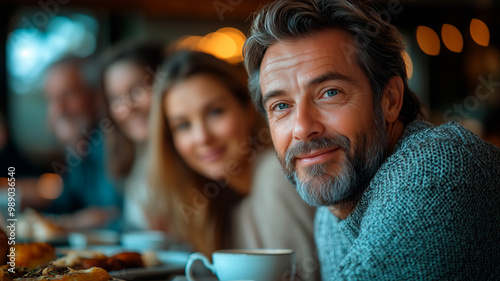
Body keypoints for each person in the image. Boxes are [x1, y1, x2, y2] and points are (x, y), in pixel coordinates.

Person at [243, 0, 500, 280]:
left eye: (330, 92)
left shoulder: (438, 167)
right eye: (281, 106)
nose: (302, 127)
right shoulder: (332, 209)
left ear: (390, 99)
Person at [149, 50, 319, 280]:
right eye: (183, 125)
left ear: (248, 110)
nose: (202, 137)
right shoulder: (215, 201)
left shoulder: (275, 174)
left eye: (215, 112)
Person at [43, 56, 123, 230]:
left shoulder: (116, 140)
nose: (59, 109)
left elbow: (122, 216)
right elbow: (64, 206)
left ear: (95, 96)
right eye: (51, 99)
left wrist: (71, 223)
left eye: (69, 94)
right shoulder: (78, 147)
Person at [100, 42, 165, 231]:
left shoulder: (195, 154)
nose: (127, 108)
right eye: (116, 99)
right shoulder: (136, 156)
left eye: (137, 91)